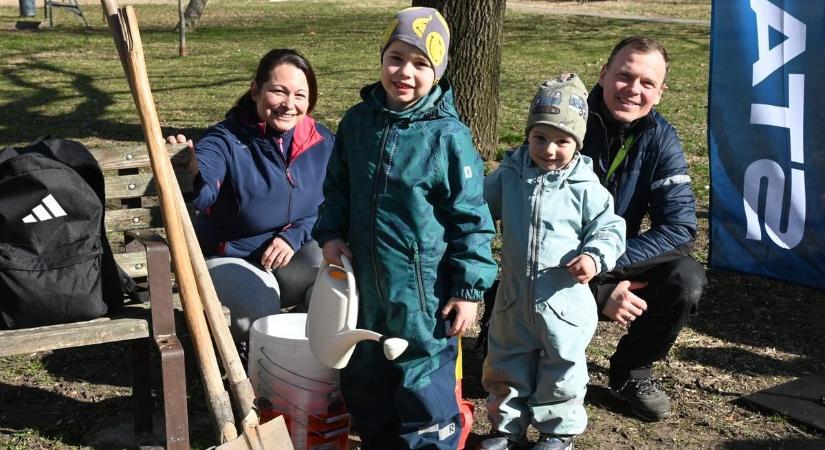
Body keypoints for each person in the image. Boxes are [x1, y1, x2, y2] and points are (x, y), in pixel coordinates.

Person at [311, 7, 497, 449]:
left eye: (420, 64)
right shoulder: (358, 123)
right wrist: (331, 232)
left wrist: (468, 290)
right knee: (366, 381)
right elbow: (337, 186)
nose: (405, 72)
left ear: (437, 72)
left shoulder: (448, 137)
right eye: (396, 57)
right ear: (381, 59)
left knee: (422, 387)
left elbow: (470, 219)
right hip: (363, 290)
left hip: (423, 295)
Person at [478, 74, 626, 450]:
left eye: (562, 141)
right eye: (539, 137)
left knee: (562, 368)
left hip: (563, 300)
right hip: (513, 298)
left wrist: (594, 257)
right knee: (505, 365)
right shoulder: (510, 176)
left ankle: (557, 433)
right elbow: (477, 210)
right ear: (527, 135)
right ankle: (506, 430)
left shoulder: (586, 188)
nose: (548, 149)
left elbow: (610, 228)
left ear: (576, 144)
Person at [167, 49, 334, 343]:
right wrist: (191, 171)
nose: (289, 105)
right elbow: (204, 191)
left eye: (299, 95)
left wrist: (294, 235)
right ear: (255, 90)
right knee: (259, 311)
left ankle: (304, 354)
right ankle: (259, 359)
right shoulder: (225, 140)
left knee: (341, 280)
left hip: (292, 254)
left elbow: (333, 202)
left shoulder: (321, 140)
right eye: (279, 92)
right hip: (232, 258)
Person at [581, 36, 707, 421]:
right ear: (604, 75)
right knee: (518, 381)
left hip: (611, 261)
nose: (633, 90)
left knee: (685, 279)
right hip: (550, 260)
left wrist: (602, 270)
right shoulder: (567, 121)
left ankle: (631, 371)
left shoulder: (662, 138)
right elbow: (531, 218)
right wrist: (600, 290)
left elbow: (680, 228)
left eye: (647, 83)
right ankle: (512, 342)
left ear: (661, 92)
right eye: (624, 76)